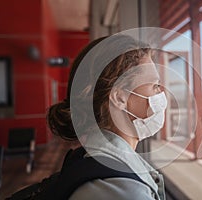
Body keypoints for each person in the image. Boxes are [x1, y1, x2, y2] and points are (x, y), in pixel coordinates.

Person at [47, 34, 167, 200]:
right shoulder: (126, 191)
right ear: (119, 97)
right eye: (154, 85)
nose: (162, 92)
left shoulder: (86, 158)